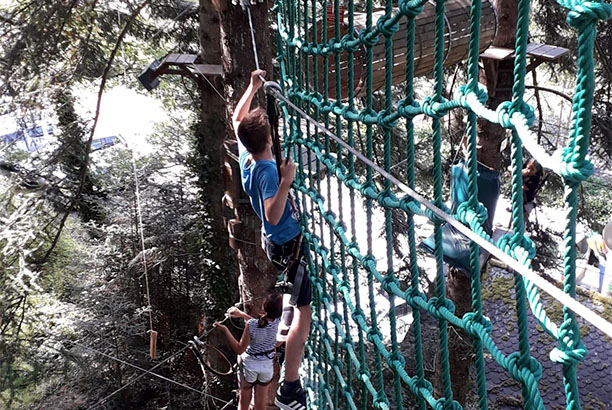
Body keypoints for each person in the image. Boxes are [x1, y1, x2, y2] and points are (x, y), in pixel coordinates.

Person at [232, 69, 311, 410]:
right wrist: (286, 182)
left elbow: (238, 119)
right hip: (286, 243)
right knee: (301, 313)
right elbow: (273, 214)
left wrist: (251, 88)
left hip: (277, 244)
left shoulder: (248, 158)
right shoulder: (264, 170)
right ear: (268, 141)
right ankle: (290, 386)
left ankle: (287, 373)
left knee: (296, 306)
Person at [214, 295, 283, 410]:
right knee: (261, 402)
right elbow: (275, 340)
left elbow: (239, 349)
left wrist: (225, 330)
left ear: (264, 307)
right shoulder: (279, 324)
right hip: (266, 366)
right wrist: (242, 314)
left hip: (250, 365)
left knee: (245, 392)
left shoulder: (252, 325)